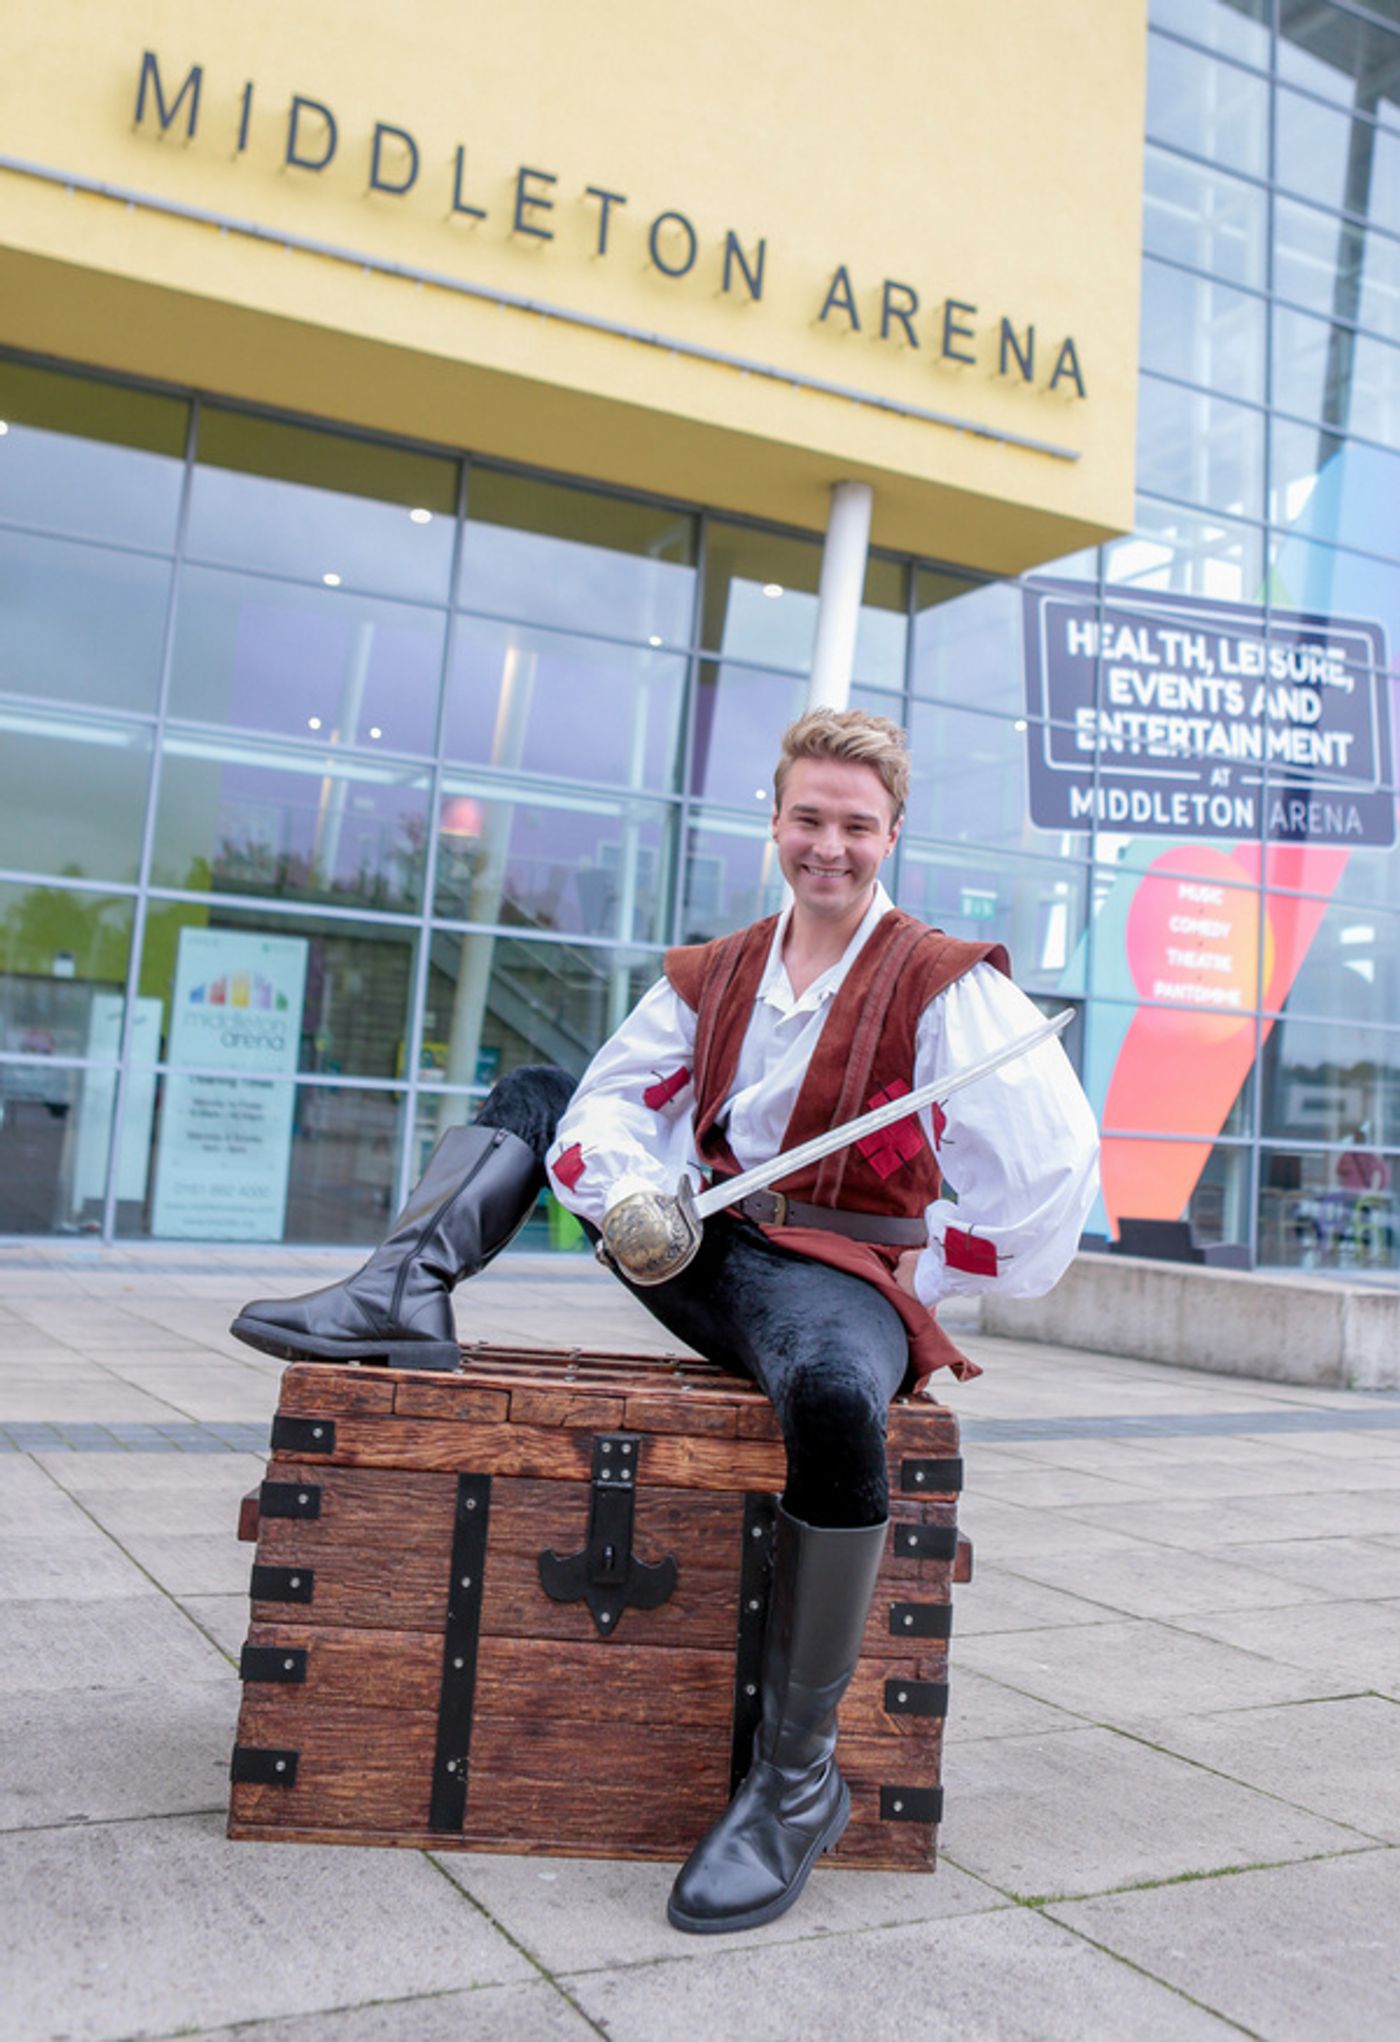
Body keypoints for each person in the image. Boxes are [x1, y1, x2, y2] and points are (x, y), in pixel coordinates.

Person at [232, 708, 1099, 1934]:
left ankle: (794, 1782)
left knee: (836, 1400)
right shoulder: (720, 967)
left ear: (891, 832)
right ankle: (402, 1285)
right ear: (775, 822)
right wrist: (628, 1193)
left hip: (837, 1281)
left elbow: (1047, 1184)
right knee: (535, 1094)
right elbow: (601, 1105)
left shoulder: (943, 984)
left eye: (856, 824)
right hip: (705, 1247)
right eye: (807, 818)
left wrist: (931, 1275)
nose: (829, 846)